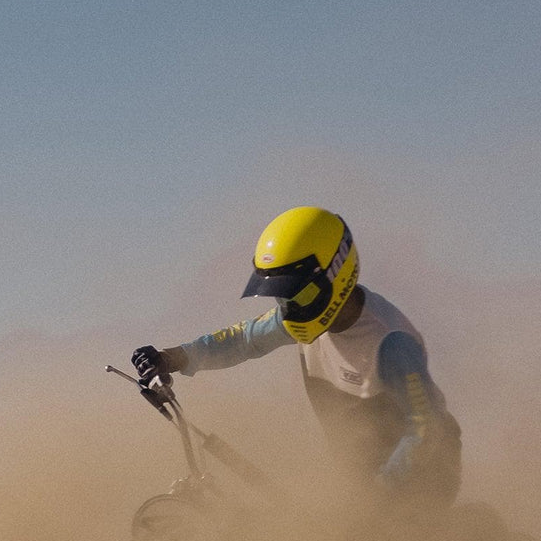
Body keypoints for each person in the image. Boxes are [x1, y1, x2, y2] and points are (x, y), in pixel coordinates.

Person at [131, 206, 462, 507]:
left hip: (423, 477)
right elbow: (244, 339)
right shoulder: (304, 316)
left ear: (335, 275)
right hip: (363, 473)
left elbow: (424, 426)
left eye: (298, 295)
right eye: (282, 297)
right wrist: (171, 358)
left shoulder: (389, 343)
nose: (287, 309)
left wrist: (376, 493)